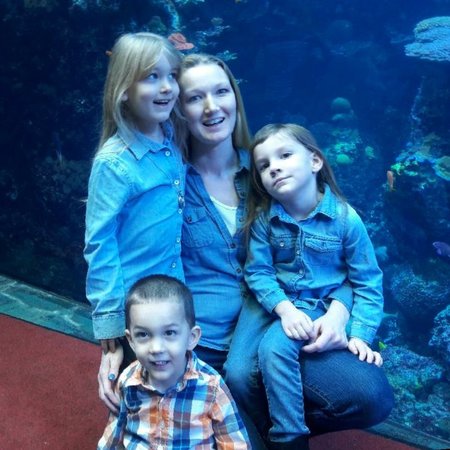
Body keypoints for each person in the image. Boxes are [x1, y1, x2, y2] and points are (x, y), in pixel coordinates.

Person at [97, 53, 393, 449]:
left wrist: (340, 309)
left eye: (221, 92)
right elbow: (124, 258)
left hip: (280, 331)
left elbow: (329, 255)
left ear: (235, 97)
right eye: (194, 97)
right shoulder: (166, 180)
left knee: (371, 396)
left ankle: (263, 423)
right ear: (177, 108)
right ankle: (240, 422)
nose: (211, 107)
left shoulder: (270, 171)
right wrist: (115, 342)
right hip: (202, 344)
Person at [237, 123, 385, 450]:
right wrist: (285, 310)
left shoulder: (346, 219)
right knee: (236, 374)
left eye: (285, 155)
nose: (274, 167)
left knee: (275, 349)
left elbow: (368, 281)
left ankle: (289, 439)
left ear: (315, 161)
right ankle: (265, 434)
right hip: (274, 302)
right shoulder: (264, 219)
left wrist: (360, 335)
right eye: (264, 165)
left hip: (318, 305)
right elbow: (258, 272)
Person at [84, 32, 185, 388]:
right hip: (136, 308)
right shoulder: (114, 163)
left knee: (169, 390)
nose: (167, 87)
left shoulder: (172, 136)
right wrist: (110, 322)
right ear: (124, 89)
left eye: (172, 75)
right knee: (135, 392)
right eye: (151, 77)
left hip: (173, 296)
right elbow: (99, 243)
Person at [97, 275, 250, 449]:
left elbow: (235, 444)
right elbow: (115, 433)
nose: (156, 348)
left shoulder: (212, 387)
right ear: (131, 340)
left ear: (192, 338)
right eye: (143, 334)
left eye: (169, 333)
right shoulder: (128, 381)